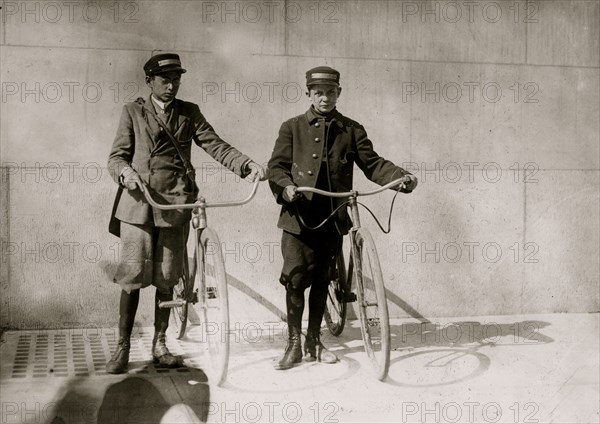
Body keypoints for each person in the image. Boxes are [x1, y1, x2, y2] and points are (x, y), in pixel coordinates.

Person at [106, 53, 266, 374]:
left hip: (174, 204)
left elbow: (215, 144)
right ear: (150, 81)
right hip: (138, 205)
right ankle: (122, 347)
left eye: (176, 79)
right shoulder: (133, 111)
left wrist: (245, 164)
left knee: (167, 278)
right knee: (132, 277)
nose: (171, 85)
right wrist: (126, 174)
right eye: (165, 80)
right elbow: (116, 157)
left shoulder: (189, 113)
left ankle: (160, 342)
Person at [267, 66, 417, 370]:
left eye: (331, 92)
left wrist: (399, 177)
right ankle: (294, 343)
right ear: (308, 93)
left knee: (322, 279)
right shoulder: (291, 127)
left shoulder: (351, 129)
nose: (325, 98)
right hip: (299, 217)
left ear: (339, 93)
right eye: (319, 92)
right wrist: (286, 188)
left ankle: (314, 341)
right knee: (296, 280)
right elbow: (276, 168)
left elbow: (372, 164)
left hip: (333, 216)